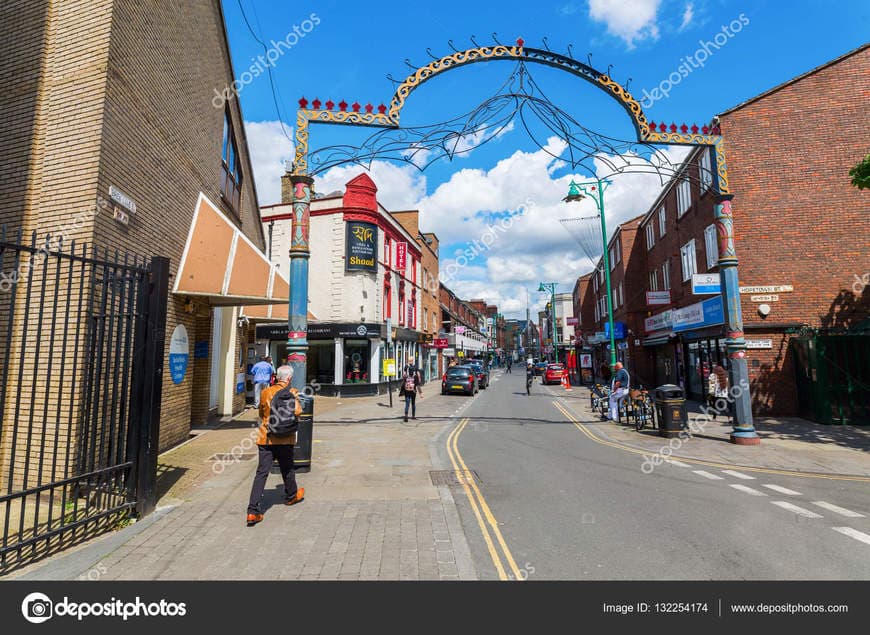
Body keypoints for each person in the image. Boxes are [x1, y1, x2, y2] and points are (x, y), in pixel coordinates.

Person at [246, 365, 304, 527]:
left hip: (266, 438)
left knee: (261, 473)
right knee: (287, 468)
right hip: (285, 438)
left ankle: (252, 511)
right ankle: (291, 495)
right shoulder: (293, 392)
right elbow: (298, 412)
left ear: (277, 377)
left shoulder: (266, 392)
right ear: (289, 378)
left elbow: (262, 412)